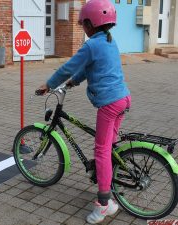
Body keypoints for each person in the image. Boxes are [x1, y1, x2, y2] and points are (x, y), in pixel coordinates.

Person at [37, 0, 131, 223]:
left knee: (101, 150)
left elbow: (69, 66)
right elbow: (90, 68)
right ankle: (107, 177)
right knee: (108, 147)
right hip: (123, 99)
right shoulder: (108, 41)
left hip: (109, 104)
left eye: (83, 24)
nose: (81, 27)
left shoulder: (91, 45)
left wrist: (49, 84)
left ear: (91, 23)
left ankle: (104, 204)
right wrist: (72, 83)